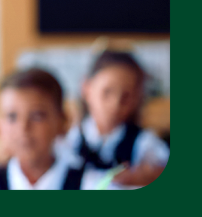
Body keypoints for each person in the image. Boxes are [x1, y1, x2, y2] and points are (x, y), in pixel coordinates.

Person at [60, 50, 167, 188]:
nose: (115, 104)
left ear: (137, 98)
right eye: (107, 92)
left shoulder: (145, 144)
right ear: (86, 88)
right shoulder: (68, 142)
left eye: (126, 96)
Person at [0, 69, 104, 189]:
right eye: (12, 117)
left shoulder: (92, 184)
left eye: (37, 116)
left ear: (62, 122)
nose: (23, 128)